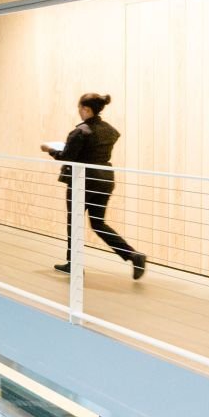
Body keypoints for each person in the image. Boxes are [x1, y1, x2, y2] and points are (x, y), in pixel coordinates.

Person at [41, 93, 146, 280]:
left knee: (75, 222)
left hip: (83, 181)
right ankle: (132, 255)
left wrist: (50, 150)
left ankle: (74, 265)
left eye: (80, 109)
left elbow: (67, 157)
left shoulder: (80, 132)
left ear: (86, 109)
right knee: (98, 223)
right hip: (105, 179)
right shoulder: (110, 130)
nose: (79, 112)